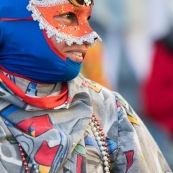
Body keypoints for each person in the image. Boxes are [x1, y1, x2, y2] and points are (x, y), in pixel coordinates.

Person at [0, 1, 172, 173]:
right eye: (68, 17)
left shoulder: (110, 109)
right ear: (16, 20)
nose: (89, 36)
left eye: (87, 18)